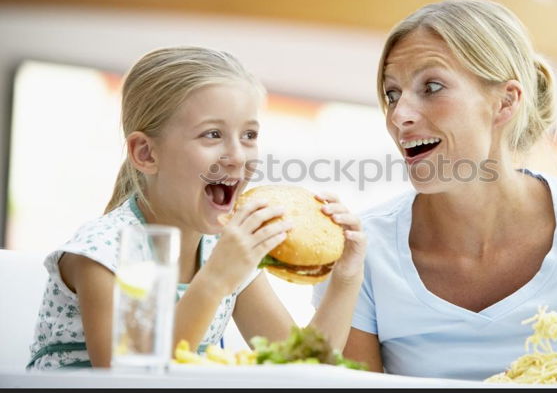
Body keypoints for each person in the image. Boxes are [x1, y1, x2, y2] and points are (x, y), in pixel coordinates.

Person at [313, 0, 557, 381]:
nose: (399, 116)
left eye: (431, 87)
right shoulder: (365, 252)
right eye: (392, 94)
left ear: (505, 102)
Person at [28, 46, 366, 369]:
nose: (237, 156)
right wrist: (216, 278)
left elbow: (303, 366)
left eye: (249, 135)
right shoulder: (104, 252)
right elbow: (129, 384)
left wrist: (346, 280)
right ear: (146, 153)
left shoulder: (222, 249)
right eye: (212, 134)